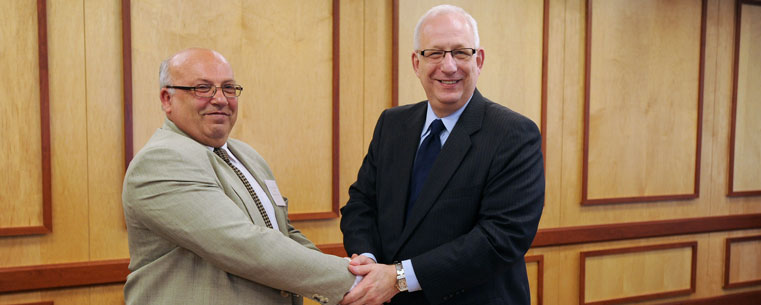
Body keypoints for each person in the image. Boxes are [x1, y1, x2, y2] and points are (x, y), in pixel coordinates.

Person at [339, 5, 544, 305]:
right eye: (434, 53)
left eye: (460, 52)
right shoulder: (391, 124)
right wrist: (367, 264)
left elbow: (500, 238)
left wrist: (397, 278)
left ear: (479, 60)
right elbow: (361, 205)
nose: (448, 66)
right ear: (416, 63)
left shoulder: (513, 134)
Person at [122, 48, 358, 305]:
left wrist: (353, 271)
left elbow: (282, 231)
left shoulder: (247, 155)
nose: (220, 99)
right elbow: (243, 244)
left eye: (228, 88)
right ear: (167, 99)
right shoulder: (161, 161)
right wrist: (351, 281)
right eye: (203, 88)